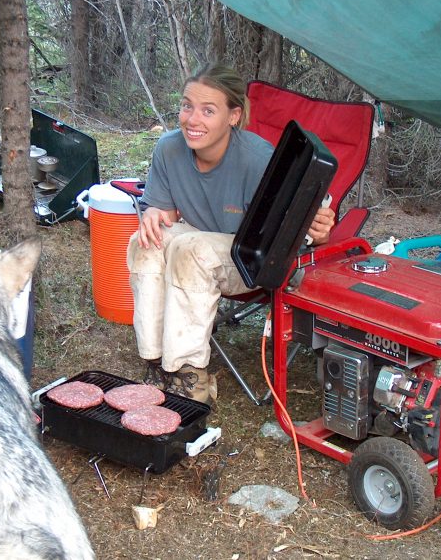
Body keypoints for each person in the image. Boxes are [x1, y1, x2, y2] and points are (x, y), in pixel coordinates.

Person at [126, 63, 335, 404]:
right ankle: (154, 362)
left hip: (254, 260)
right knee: (144, 242)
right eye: (186, 106)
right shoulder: (168, 149)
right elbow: (162, 209)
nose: (192, 120)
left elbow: (307, 226)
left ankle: (190, 377)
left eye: (208, 110)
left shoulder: (260, 160)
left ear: (233, 116)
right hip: (200, 243)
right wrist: (152, 212)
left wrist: (321, 229)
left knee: (191, 248)